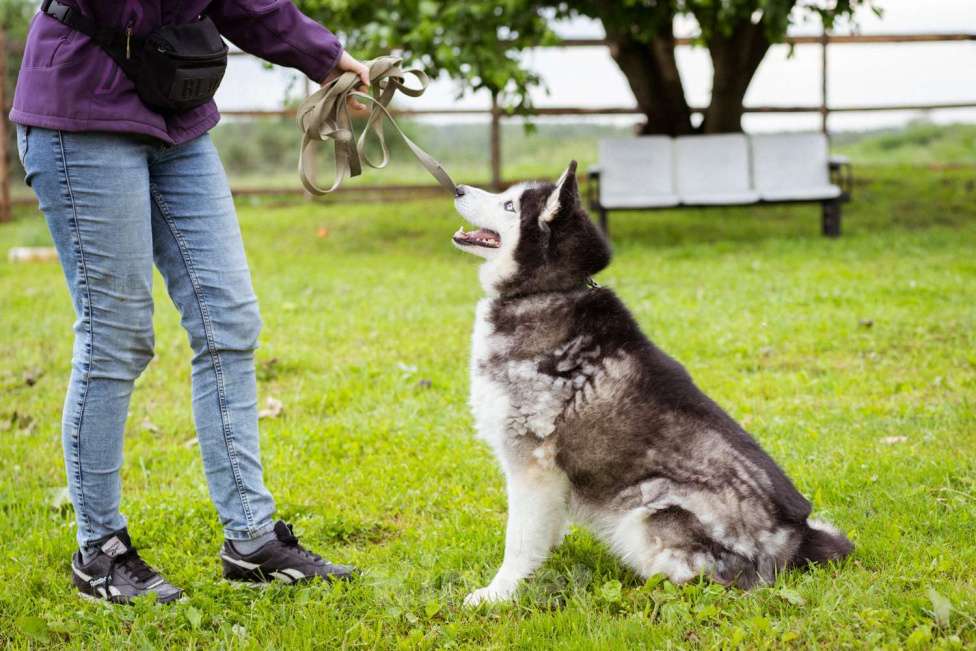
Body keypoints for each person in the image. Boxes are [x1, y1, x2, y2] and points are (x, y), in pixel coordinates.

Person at [11, 0, 370, 604]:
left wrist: (327, 58)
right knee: (116, 336)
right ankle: (99, 550)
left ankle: (252, 539)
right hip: (82, 108)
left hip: (174, 110)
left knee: (229, 320)